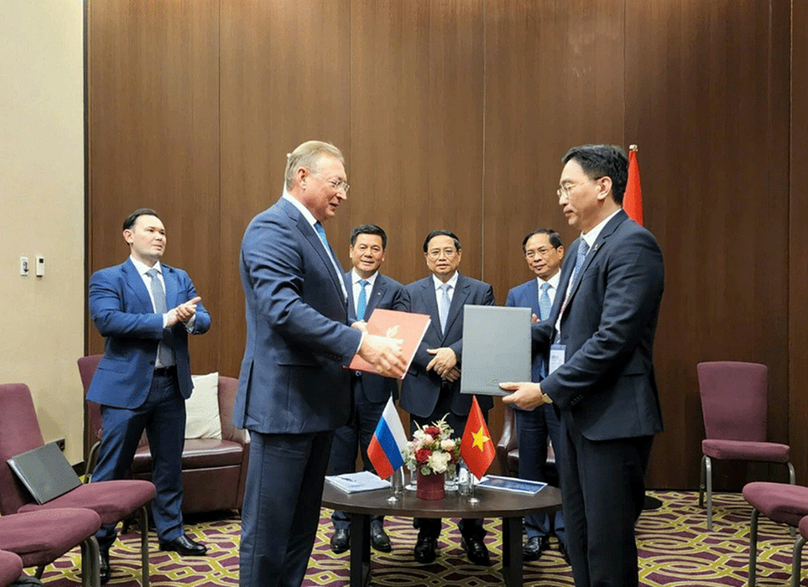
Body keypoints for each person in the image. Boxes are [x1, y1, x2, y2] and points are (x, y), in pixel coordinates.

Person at [234, 141, 406, 587]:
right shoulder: (272, 227)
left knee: (299, 531)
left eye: (345, 184)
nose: (343, 193)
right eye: (337, 182)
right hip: (284, 406)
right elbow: (282, 309)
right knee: (269, 534)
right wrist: (357, 344)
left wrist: (355, 327)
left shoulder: (312, 231)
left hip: (315, 407)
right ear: (302, 177)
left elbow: (313, 309)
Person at [501, 144, 664, 587]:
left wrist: (546, 388)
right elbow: (556, 331)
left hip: (613, 419)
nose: (560, 198)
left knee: (608, 543)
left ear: (603, 186)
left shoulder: (633, 245)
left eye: (568, 186)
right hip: (577, 414)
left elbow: (613, 340)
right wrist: (475, 346)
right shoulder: (576, 251)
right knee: (581, 535)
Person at [88, 208, 211, 584]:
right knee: (110, 470)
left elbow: (202, 321)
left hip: (171, 385)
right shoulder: (109, 277)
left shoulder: (179, 278)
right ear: (129, 236)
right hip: (126, 389)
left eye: (162, 231)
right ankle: (99, 544)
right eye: (150, 230)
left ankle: (171, 533)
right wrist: (165, 320)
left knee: (169, 464)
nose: (159, 236)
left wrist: (190, 318)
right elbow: (107, 320)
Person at [400, 229, 495, 566]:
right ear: (426, 257)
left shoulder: (481, 291)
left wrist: (454, 354)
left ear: (459, 255)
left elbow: (485, 332)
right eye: (434, 252)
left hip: (466, 394)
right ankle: (427, 535)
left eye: (447, 251)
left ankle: (473, 535)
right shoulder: (409, 293)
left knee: (471, 464)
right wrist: (439, 365)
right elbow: (404, 341)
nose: (441, 257)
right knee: (426, 465)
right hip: (425, 392)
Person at [328, 223, 409, 554]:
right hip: (338, 387)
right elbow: (326, 326)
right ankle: (342, 526)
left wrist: (367, 333)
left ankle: (376, 523)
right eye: (362, 247)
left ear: (383, 254)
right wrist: (352, 330)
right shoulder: (334, 285)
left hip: (378, 388)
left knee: (379, 460)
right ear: (350, 250)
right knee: (340, 459)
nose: (368, 253)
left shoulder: (395, 290)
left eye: (375, 249)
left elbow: (399, 334)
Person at [504, 228, 568, 563]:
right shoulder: (518, 294)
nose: (536, 258)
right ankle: (534, 531)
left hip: (563, 393)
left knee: (567, 466)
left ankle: (566, 530)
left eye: (542, 251)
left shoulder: (573, 290)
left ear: (560, 252)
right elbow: (508, 342)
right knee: (530, 464)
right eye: (530, 253)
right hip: (529, 391)